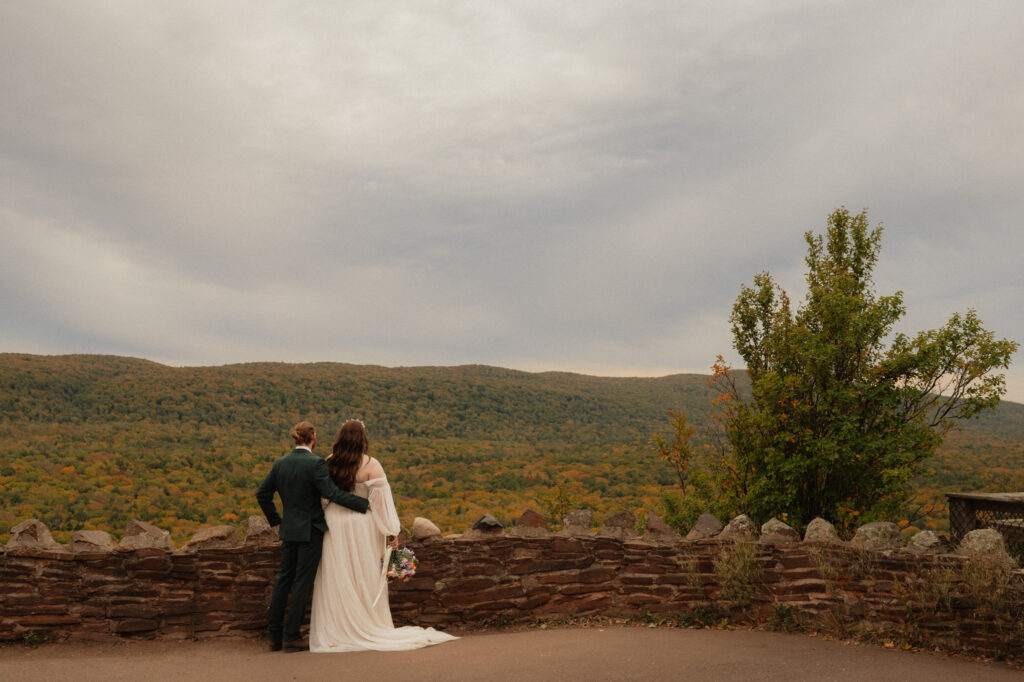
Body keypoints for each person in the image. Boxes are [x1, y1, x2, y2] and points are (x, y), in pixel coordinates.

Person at [309, 419, 457, 652]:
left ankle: (339, 628)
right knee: (365, 573)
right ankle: (368, 622)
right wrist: (391, 533)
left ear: (340, 438)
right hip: (362, 524)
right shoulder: (371, 464)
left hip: (334, 522)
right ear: (363, 439)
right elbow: (381, 504)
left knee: (337, 574)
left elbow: (324, 497)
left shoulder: (329, 462)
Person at [256, 421, 370, 652]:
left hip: (288, 530)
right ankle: (291, 636)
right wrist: (364, 504)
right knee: (302, 583)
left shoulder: (280, 463)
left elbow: (262, 494)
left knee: (283, 581)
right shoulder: (315, 463)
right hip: (310, 531)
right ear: (313, 438)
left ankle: (274, 636)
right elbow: (331, 493)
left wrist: (276, 521)